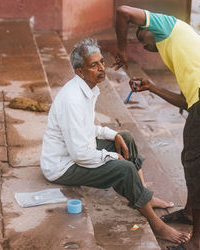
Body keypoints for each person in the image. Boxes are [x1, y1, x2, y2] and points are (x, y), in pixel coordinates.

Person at [40, 38, 190, 244]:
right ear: (80, 71)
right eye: (94, 65)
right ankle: (157, 225)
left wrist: (114, 136)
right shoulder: (72, 99)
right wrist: (112, 156)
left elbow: (86, 129)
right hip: (62, 165)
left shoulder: (86, 88)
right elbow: (80, 155)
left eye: (102, 62)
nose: (102, 68)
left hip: (75, 152)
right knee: (124, 168)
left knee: (126, 137)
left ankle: (144, 195)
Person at [112, 6, 200, 250]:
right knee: (192, 160)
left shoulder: (168, 25)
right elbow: (186, 102)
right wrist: (153, 88)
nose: (146, 47)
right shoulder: (177, 51)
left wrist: (122, 51)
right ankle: (190, 213)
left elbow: (123, 11)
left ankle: (197, 242)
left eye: (142, 39)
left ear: (150, 28)